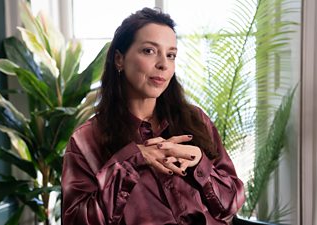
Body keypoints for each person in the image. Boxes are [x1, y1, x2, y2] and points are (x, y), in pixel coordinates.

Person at [61, 7, 245, 225]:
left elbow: (232, 203)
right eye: (149, 51)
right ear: (119, 59)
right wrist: (131, 161)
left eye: (171, 55)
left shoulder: (196, 121)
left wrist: (199, 162)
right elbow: (77, 221)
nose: (163, 64)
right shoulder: (86, 141)